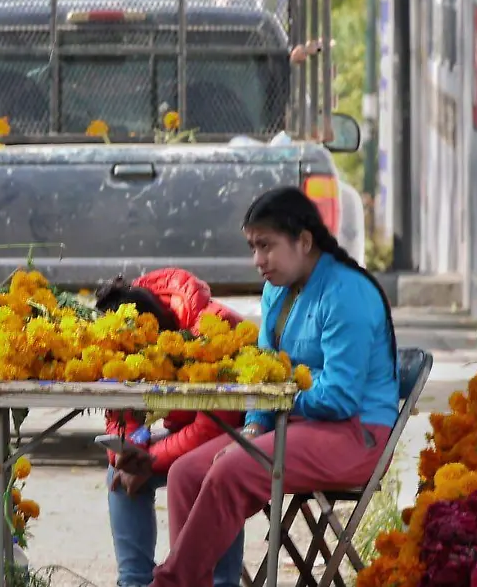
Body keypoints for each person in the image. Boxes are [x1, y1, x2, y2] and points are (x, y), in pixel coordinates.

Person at [149, 187, 399, 587]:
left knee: (231, 468)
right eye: (252, 247)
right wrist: (252, 427)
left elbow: (338, 398)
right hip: (296, 426)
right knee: (186, 472)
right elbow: (262, 370)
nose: (257, 260)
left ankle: (170, 582)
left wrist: (279, 403)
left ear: (304, 241)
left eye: (266, 246)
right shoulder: (276, 290)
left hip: (356, 434)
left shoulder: (347, 292)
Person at [94, 269, 248, 587]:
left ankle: (220, 582)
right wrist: (129, 451)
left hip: (232, 437)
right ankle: (134, 582)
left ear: (159, 332)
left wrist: (149, 459)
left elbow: (217, 426)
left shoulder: (213, 327)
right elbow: (121, 405)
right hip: (186, 434)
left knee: (212, 474)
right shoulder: (124, 322)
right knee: (118, 475)